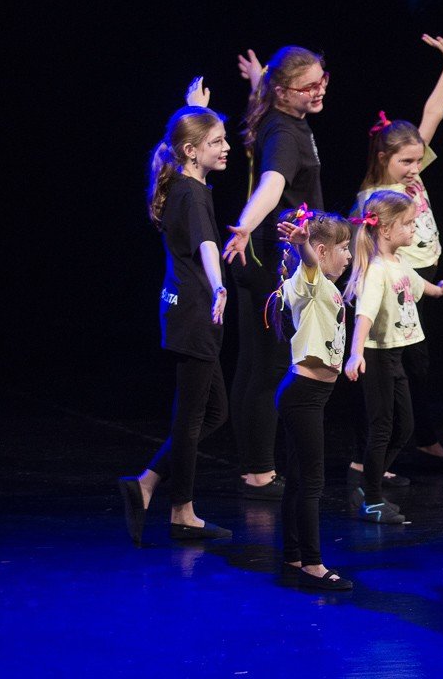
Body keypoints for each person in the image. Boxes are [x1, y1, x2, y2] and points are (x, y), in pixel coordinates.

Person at [119, 100, 233, 545]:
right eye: (216, 142)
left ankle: (146, 483)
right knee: (191, 418)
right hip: (195, 311)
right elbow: (207, 245)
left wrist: (196, 108)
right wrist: (219, 286)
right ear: (191, 151)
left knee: (214, 412)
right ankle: (182, 512)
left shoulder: (184, 184)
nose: (226, 147)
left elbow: (183, 136)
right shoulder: (193, 193)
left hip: (183, 307)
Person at [350, 35, 443, 478]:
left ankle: (416, 440)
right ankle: (372, 453)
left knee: (415, 365)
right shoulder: (378, 197)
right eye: (407, 163)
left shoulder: (408, 171)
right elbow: (363, 251)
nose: (416, 169)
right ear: (384, 158)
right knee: (398, 365)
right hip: (395, 284)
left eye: (418, 161)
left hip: (418, 278)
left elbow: (433, 115)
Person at [223, 46, 331, 499]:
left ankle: (254, 467)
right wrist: (246, 225)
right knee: (267, 367)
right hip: (272, 259)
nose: (320, 90)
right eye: (310, 86)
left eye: (323, 79)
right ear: (284, 92)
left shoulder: (275, 113)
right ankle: (258, 473)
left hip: (263, 257)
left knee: (254, 363)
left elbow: (264, 95)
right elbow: (273, 184)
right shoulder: (285, 133)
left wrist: (257, 78)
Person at [343, 190, 443, 524]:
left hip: (395, 357)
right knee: (382, 428)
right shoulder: (376, 270)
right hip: (376, 358)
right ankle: (372, 499)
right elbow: (364, 314)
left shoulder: (398, 262)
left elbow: (418, 285)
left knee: (404, 426)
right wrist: (355, 353)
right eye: (407, 224)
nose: (413, 229)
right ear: (386, 229)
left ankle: (368, 484)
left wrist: (440, 289)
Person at [273, 207, 355, 589]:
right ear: (321, 252)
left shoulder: (328, 288)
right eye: (343, 248)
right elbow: (309, 264)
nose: (348, 255)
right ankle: (312, 564)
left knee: (296, 479)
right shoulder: (310, 281)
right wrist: (304, 246)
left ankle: (293, 554)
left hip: (308, 395)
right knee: (311, 482)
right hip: (303, 395)